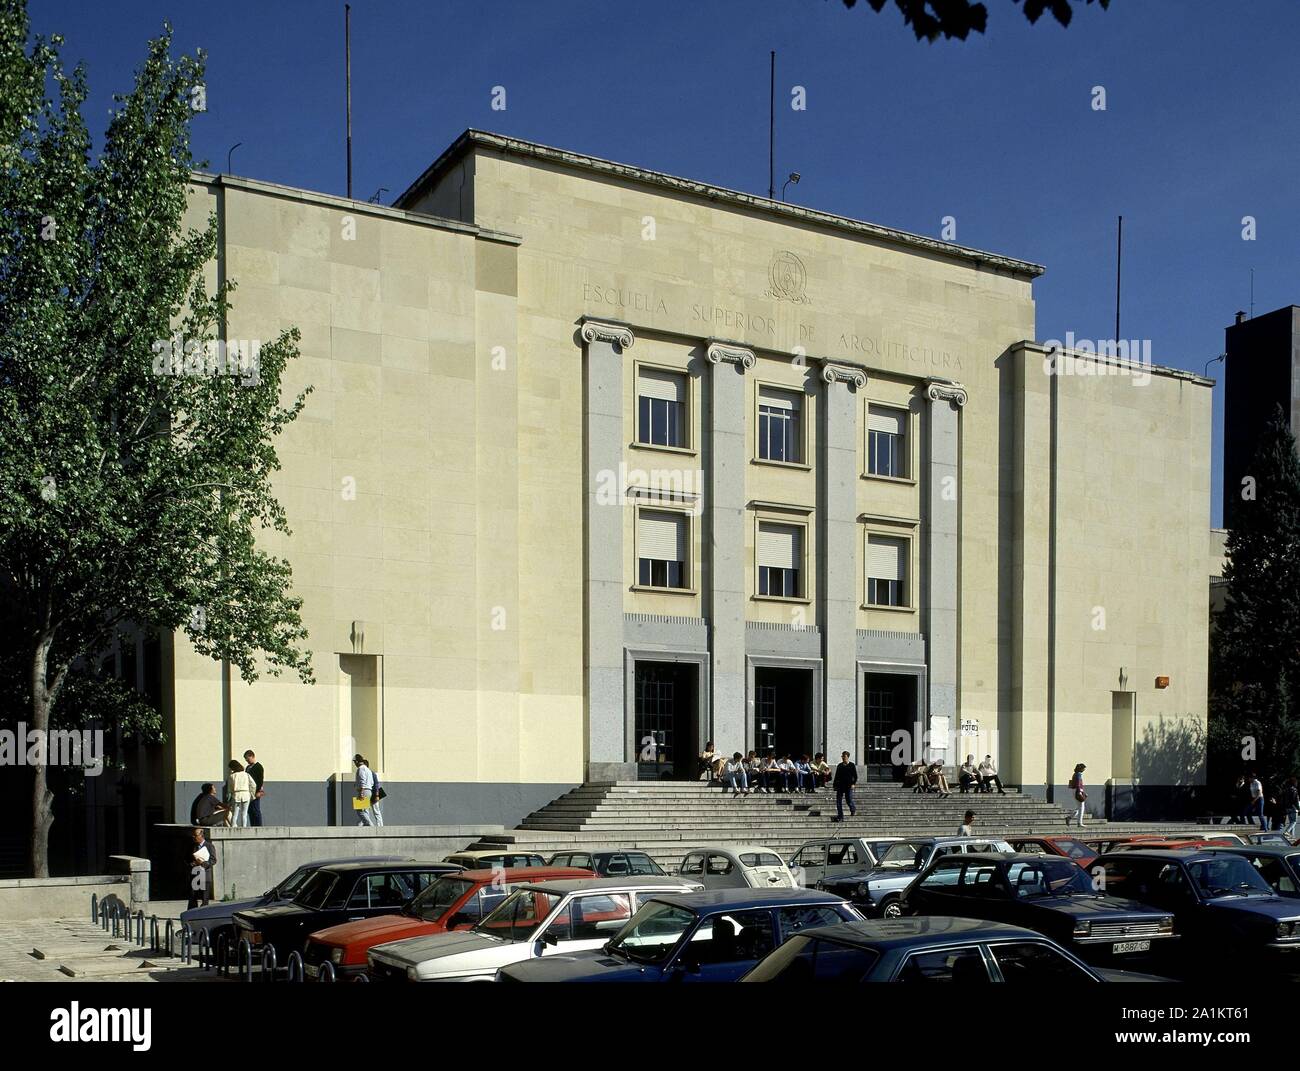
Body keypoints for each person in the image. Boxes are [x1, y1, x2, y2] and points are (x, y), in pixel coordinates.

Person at [186, 826, 216, 910]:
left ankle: (204, 913)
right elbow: (187, 858)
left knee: (205, 897)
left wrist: (203, 863)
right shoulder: (192, 846)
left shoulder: (209, 846)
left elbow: (213, 860)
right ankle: (191, 913)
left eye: (195, 835)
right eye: (193, 835)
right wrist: (192, 863)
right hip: (195, 874)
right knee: (193, 896)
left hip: (205, 875)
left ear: (201, 836)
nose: (194, 837)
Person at [354, 754, 384, 826]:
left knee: (360, 811)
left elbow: (363, 781)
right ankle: (366, 825)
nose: (355, 764)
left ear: (357, 761)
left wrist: (361, 792)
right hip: (370, 791)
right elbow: (372, 782)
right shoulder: (369, 771)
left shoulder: (361, 769)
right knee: (365, 810)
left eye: (355, 762)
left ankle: (370, 825)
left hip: (366, 791)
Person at [225, 760, 257, 828]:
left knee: (234, 813)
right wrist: (252, 794)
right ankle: (244, 827)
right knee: (244, 813)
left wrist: (228, 798)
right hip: (246, 793)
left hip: (236, 794)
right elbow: (253, 785)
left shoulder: (232, 776)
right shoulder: (246, 774)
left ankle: (233, 827)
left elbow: (229, 789)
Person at [832, 751, 858, 823]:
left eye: (844, 757)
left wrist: (853, 784)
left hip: (848, 786)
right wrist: (834, 785)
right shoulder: (840, 765)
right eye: (842, 756)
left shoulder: (852, 765)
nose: (843, 758)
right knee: (838, 802)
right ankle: (840, 817)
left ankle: (852, 809)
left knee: (848, 800)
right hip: (840, 785)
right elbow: (836, 776)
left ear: (848, 757)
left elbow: (855, 776)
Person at [243, 749, 265, 826]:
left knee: (256, 809)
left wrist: (258, 791)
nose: (247, 761)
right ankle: (253, 825)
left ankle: (258, 826)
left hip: (255, 791)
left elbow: (260, 780)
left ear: (252, 756)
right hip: (248, 791)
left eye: (248, 758)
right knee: (250, 810)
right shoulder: (248, 768)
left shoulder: (258, 767)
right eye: (246, 759)